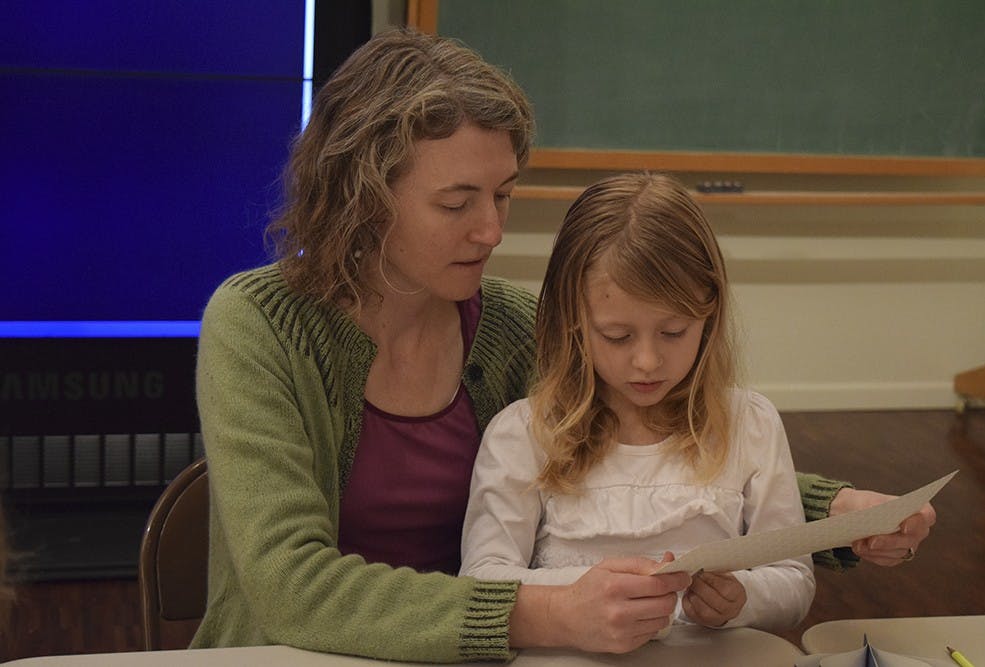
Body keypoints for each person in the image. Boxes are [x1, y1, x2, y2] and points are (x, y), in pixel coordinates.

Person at [191, 26, 934, 662]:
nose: (492, 229)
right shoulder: (257, 326)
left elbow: (649, 438)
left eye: (504, 194)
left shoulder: (516, 322)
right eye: (457, 202)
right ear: (363, 194)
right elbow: (292, 584)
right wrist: (544, 613)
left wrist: (843, 514)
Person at [460, 172, 814, 634]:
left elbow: (793, 579)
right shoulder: (523, 434)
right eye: (617, 336)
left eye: (673, 332)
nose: (647, 361)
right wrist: (578, 599)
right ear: (573, 322)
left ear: (709, 317)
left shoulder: (750, 423)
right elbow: (481, 580)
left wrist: (743, 600)